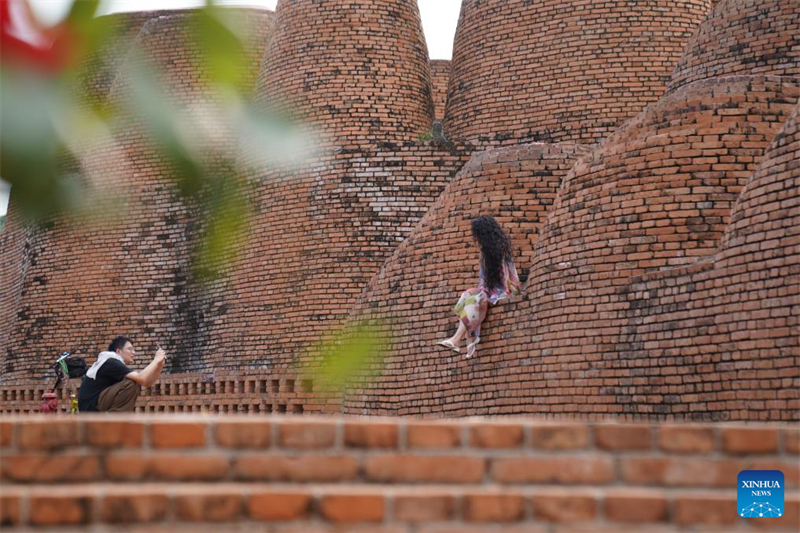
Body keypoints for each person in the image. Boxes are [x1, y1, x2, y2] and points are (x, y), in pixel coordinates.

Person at [437, 216, 521, 358]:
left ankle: (458, 339)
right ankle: (458, 339)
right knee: (467, 295)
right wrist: (483, 292)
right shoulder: (485, 253)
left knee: (476, 297)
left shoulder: (501, 251)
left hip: (506, 289)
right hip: (490, 290)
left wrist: (488, 294)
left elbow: (508, 278)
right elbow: (484, 282)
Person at [78, 336, 166, 412]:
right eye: (130, 349)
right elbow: (141, 378)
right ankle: (116, 421)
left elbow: (147, 383)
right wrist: (156, 360)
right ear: (118, 351)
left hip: (96, 404)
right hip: (90, 408)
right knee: (130, 384)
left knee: (133, 382)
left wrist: (159, 366)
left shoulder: (114, 363)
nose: (133, 353)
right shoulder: (111, 361)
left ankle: (117, 420)